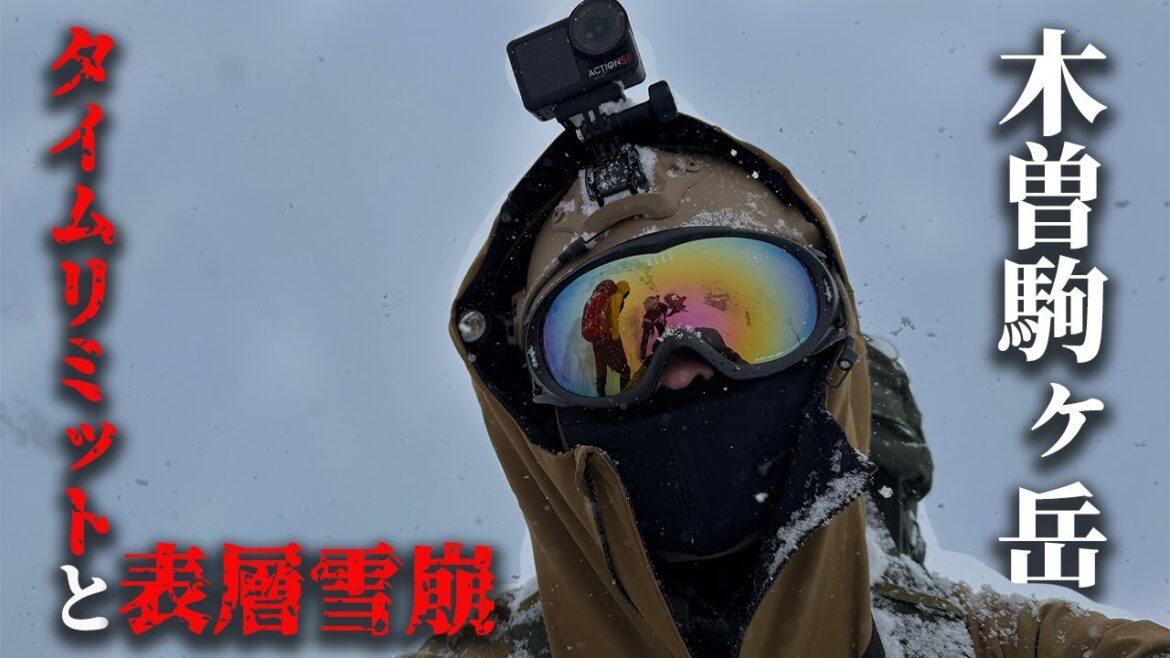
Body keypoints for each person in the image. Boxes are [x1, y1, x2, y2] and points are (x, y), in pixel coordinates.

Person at [407, 113, 1170, 657]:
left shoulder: (998, 647)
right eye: (612, 346)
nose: (683, 363)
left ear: (826, 357)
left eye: (739, 313)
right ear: (537, 412)